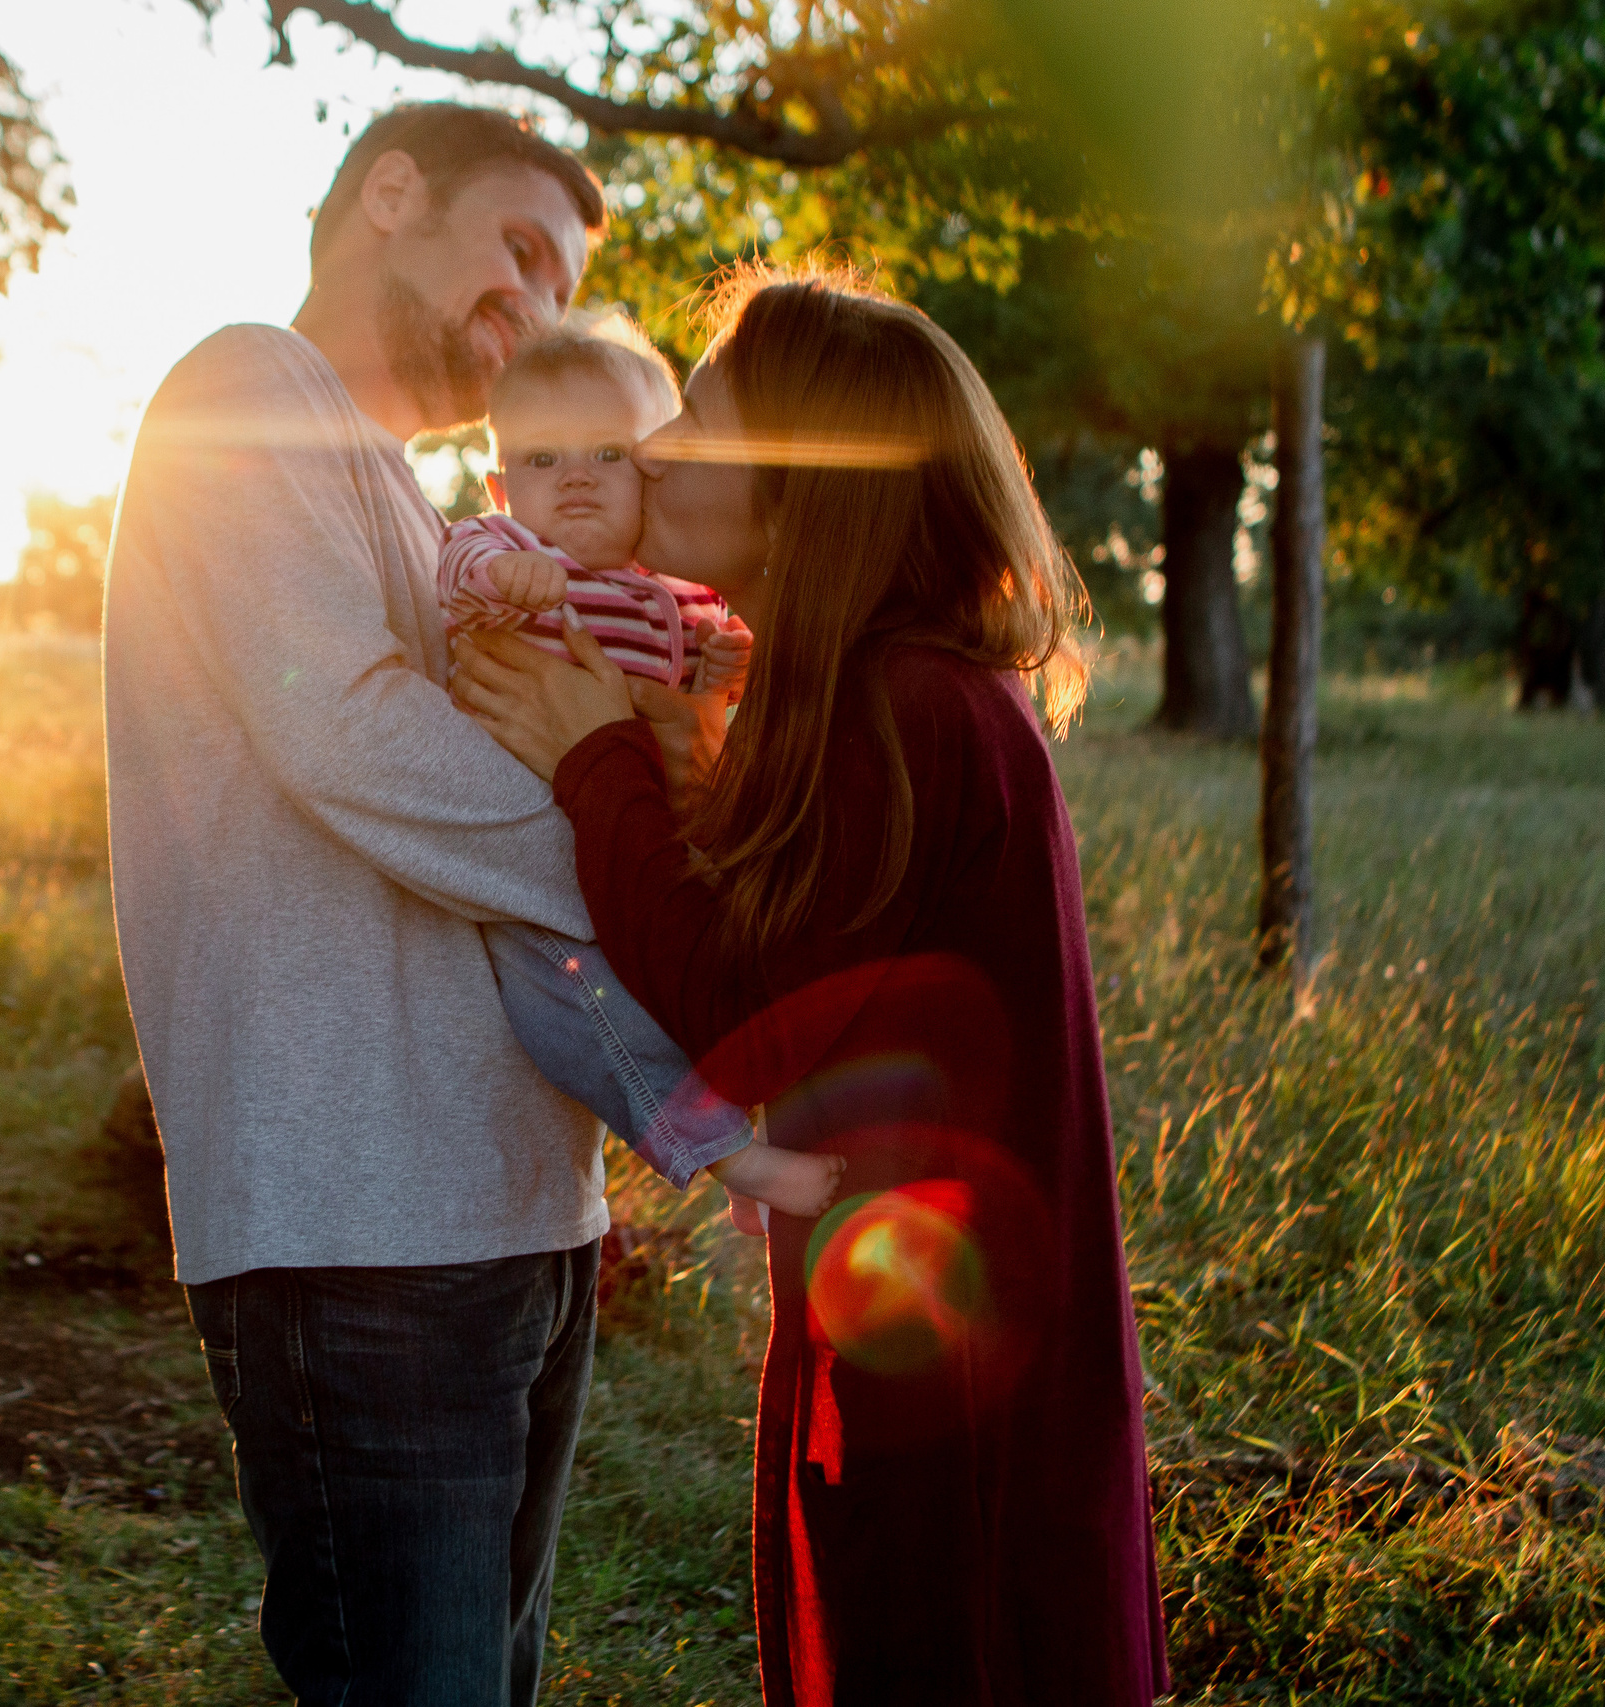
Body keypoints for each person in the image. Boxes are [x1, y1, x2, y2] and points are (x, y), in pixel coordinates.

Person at [451, 265, 1170, 1704]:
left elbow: (744, 1015)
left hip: (951, 1388)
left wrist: (594, 756)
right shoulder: (883, 691)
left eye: (699, 423)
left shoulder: (907, 712)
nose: (654, 454)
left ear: (802, 492)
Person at [101, 104, 609, 1707]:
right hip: (359, 1232)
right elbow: (347, 730)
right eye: (520, 248)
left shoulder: (421, 500)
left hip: (517, 1211)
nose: (537, 305)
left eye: (565, 282)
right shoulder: (245, 390)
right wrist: (636, 876)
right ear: (392, 193)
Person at [440, 317, 846, 1216]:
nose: (575, 477)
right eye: (541, 459)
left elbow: (713, 675)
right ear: (502, 487)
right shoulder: (514, 553)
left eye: (608, 453)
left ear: (652, 471)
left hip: (650, 838)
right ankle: (728, 1157)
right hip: (537, 856)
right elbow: (458, 566)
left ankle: (751, 1123)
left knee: (709, 964)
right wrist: (503, 582)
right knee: (580, 1001)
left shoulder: (683, 589)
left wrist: (727, 664)